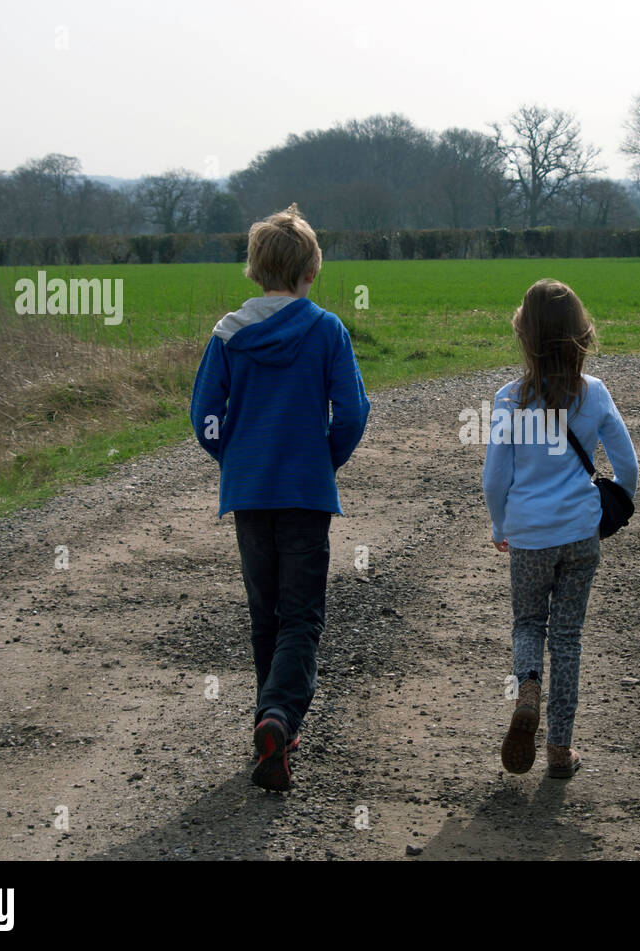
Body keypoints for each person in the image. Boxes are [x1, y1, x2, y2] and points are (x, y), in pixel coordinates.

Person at [190, 203, 370, 791]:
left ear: (254, 268)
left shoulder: (227, 335)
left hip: (249, 492)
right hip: (305, 493)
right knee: (302, 618)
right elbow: (353, 410)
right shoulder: (326, 330)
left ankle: (274, 737)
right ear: (311, 270)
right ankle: (280, 718)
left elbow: (204, 417)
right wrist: (323, 459)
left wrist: (237, 460)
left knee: (264, 615)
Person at [482, 278, 638, 778]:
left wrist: (499, 523)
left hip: (528, 534)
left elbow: (495, 476)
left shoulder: (509, 399)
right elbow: (627, 465)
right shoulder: (594, 395)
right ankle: (559, 751)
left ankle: (527, 689)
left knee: (529, 624)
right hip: (579, 532)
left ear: (524, 336)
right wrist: (611, 506)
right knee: (567, 638)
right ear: (581, 334)